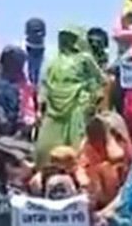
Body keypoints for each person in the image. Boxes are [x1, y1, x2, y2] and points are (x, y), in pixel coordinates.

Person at [34, 26, 103, 164]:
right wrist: (40, 104)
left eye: (70, 37)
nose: (66, 41)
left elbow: (99, 80)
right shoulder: (53, 61)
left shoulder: (85, 59)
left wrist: (91, 100)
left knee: (76, 145)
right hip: (54, 108)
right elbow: (45, 83)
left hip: (77, 105)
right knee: (44, 146)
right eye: (63, 37)